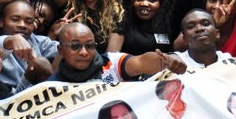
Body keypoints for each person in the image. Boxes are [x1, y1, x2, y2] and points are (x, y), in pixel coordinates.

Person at [48, 23, 185, 83]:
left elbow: (140, 62)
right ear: (60, 50)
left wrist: (170, 61)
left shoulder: (111, 63)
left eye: (89, 46)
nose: (84, 52)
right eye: (75, 46)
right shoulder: (52, 86)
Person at [0, 0, 56, 93]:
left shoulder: (32, 38)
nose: (22, 25)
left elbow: (57, 47)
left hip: (29, 94)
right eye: (15, 20)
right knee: (40, 63)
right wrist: (12, 40)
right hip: (3, 96)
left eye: (29, 22)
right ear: (1, 22)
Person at [114, 0, 190, 55]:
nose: (144, 3)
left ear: (162, 3)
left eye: (152, 0)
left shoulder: (170, 25)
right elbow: (111, 58)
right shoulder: (124, 23)